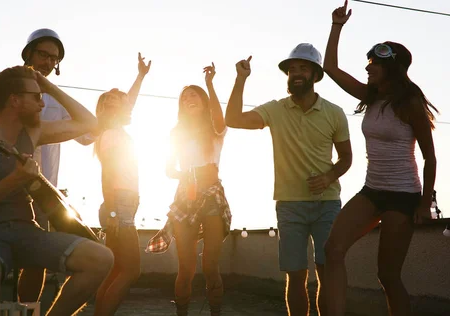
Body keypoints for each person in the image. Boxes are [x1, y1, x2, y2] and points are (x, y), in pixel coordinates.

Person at [0, 65, 113, 316]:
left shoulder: (33, 132)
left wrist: (49, 85)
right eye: (37, 96)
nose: (43, 104)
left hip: (25, 230)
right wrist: (16, 178)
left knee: (101, 259)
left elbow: (89, 124)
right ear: (15, 100)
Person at [323, 2, 437, 315]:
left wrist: (425, 203)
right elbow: (330, 69)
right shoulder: (370, 97)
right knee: (332, 250)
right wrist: (337, 26)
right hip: (372, 191)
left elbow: (430, 158)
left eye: (374, 63)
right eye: (369, 62)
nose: (368, 67)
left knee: (387, 275)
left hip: (403, 196)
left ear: (393, 68)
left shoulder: (409, 103)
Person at [225, 44, 352, 316]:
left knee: (326, 272)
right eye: (291, 69)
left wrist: (329, 175)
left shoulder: (335, 113)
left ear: (315, 75)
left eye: (303, 68)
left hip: (327, 204)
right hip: (289, 205)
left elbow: (346, 159)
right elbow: (233, 119)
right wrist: (240, 79)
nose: (296, 73)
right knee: (295, 276)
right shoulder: (275, 109)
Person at [146, 63, 231, 316]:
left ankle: (215, 311)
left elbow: (218, 115)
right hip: (185, 195)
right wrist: (186, 176)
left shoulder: (215, 130)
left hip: (212, 194)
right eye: (184, 98)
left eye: (193, 95)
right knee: (186, 268)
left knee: (211, 265)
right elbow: (168, 169)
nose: (188, 99)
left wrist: (210, 84)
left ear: (203, 102)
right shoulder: (177, 133)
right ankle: (181, 312)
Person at [93, 53, 151, 316]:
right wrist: (114, 212)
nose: (120, 100)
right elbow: (108, 174)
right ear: (105, 108)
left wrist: (140, 76)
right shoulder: (110, 134)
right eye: (111, 98)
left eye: (120, 97)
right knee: (131, 270)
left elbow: (131, 101)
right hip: (119, 205)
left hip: (123, 204)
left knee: (116, 269)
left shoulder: (115, 131)